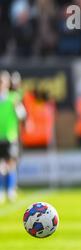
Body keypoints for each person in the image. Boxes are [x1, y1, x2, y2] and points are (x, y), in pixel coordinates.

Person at [0, 71, 26, 204]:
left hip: (10, 136)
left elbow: (22, 115)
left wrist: (18, 107)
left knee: (10, 164)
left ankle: (10, 190)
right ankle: (1, 192)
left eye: (2, 82)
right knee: (1, 166)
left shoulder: (13, 98)